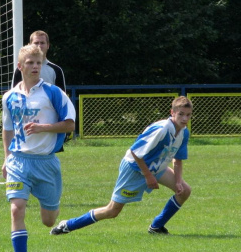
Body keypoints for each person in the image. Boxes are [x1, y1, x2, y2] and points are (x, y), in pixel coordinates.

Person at [50, 96, 193, 236]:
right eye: (181, 114)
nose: (185, 119)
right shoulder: (161, 129)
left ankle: (156, 227)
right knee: (112, 211)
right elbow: (135, 152)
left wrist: (179, 181)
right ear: (172, 112)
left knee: (184, 191)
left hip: (156, 168)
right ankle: (68, 225)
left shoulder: (183, 132)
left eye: (188, 115)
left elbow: (178, 159)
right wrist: (149, 177)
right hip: (134, 168)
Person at [2, 44, 76, 252]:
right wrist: (6, 158)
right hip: (18, 161)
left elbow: (71, 124)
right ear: (20, 66)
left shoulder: (53, 93)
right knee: (17, 209)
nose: (35, 67)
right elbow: (7, 129)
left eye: (38, 63)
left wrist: (43, 127)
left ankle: (51, 207)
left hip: (46, 163)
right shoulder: (9, 96)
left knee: (48, 220)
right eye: (30, 63)